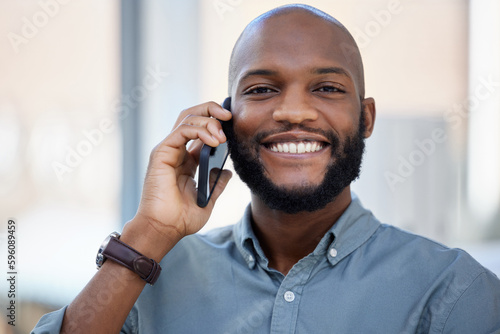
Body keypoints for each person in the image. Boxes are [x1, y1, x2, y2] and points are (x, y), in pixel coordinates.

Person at [33, 4, 500, 333]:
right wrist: (150, 231)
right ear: (223, 120)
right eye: (260, 90)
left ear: (366, 118)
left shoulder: (455, 292)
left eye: (327, 88)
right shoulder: (150, 277)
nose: (293, 112)